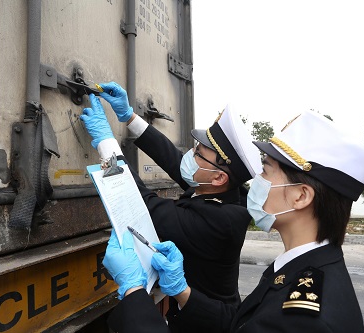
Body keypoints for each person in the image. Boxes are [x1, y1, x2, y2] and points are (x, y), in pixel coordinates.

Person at [102, 110, 364, 333]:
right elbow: (239, 324)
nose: (257, 181)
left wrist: (134, 291)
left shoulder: (304, 319)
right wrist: (183, 291)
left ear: (300, 197)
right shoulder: (301, 270)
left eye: (267, 172)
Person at [80, 83, 262, 329]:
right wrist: (130, 117)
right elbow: (173, 159)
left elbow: (142, 203)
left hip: (204, 323)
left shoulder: (219, 222)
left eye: (198, 153)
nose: (190, 154)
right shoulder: (223, 191)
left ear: (218, 178)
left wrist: (106, 142)